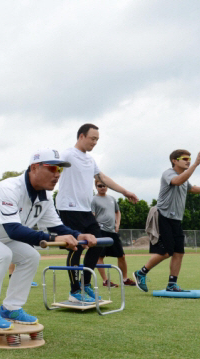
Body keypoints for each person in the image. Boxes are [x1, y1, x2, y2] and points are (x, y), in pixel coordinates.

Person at [0, 150, 98, 330]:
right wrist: (52, 238)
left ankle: (11, 308)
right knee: (1, 255)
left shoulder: (46, 197)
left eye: (60, 169)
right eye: (52, 168)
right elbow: (14, 230)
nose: (57, 174)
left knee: (31, 257)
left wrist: (78, 235)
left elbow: (57, 227)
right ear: (34, 168)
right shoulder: (8, 189)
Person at [56, 124, 138, 303]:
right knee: (76, 247)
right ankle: (74, 291)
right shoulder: (68, 154)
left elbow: (104, 178)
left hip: (85, 210)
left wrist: (125, 192)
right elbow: (53, 167)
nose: (95, 142)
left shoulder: (90, 160)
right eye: (93, 138)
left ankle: (85, 285)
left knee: (98, 244)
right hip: (69, 208)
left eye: (97, 139)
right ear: (81, 137)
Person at [133, 150, 200, 292]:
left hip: (176, 219)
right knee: (166, 252)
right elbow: (177, 182)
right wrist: (196, 164)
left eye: (190, 159)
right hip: (163, 216)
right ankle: (141, 273)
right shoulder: (169, 174)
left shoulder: (184, 177)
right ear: (174, 160)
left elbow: (192, 188)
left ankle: (172, 284)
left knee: (179, 252)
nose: (188, 161)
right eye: (185, 158)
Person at [91, 180, 137, 287]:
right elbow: (92, 215)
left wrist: (117, 224)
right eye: (100, 186)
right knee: (100, 257)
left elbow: (117, 212)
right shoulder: (93, 200)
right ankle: (105, 281)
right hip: (100, 232)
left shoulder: (112, 199)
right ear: (96, 187)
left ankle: (125, 279)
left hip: (112, 232)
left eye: (104, 185)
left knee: (121, 256)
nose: (102, 187)